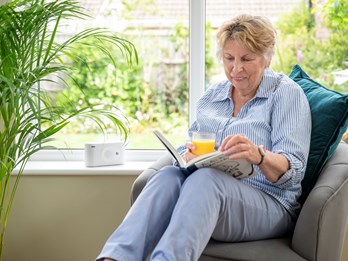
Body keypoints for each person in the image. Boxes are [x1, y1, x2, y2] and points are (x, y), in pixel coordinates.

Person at [96, 14, 311, 261]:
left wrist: (259, 155)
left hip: (269, 204)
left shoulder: (286, 94)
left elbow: (293, 172)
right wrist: (186, 154)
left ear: (267, 58)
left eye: (247, 59)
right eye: (229, 58)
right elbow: (192, 143)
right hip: (208, 196)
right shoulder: (213, 95)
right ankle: (114, 258)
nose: (236, 68)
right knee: (167, 175)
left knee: (207, 179)